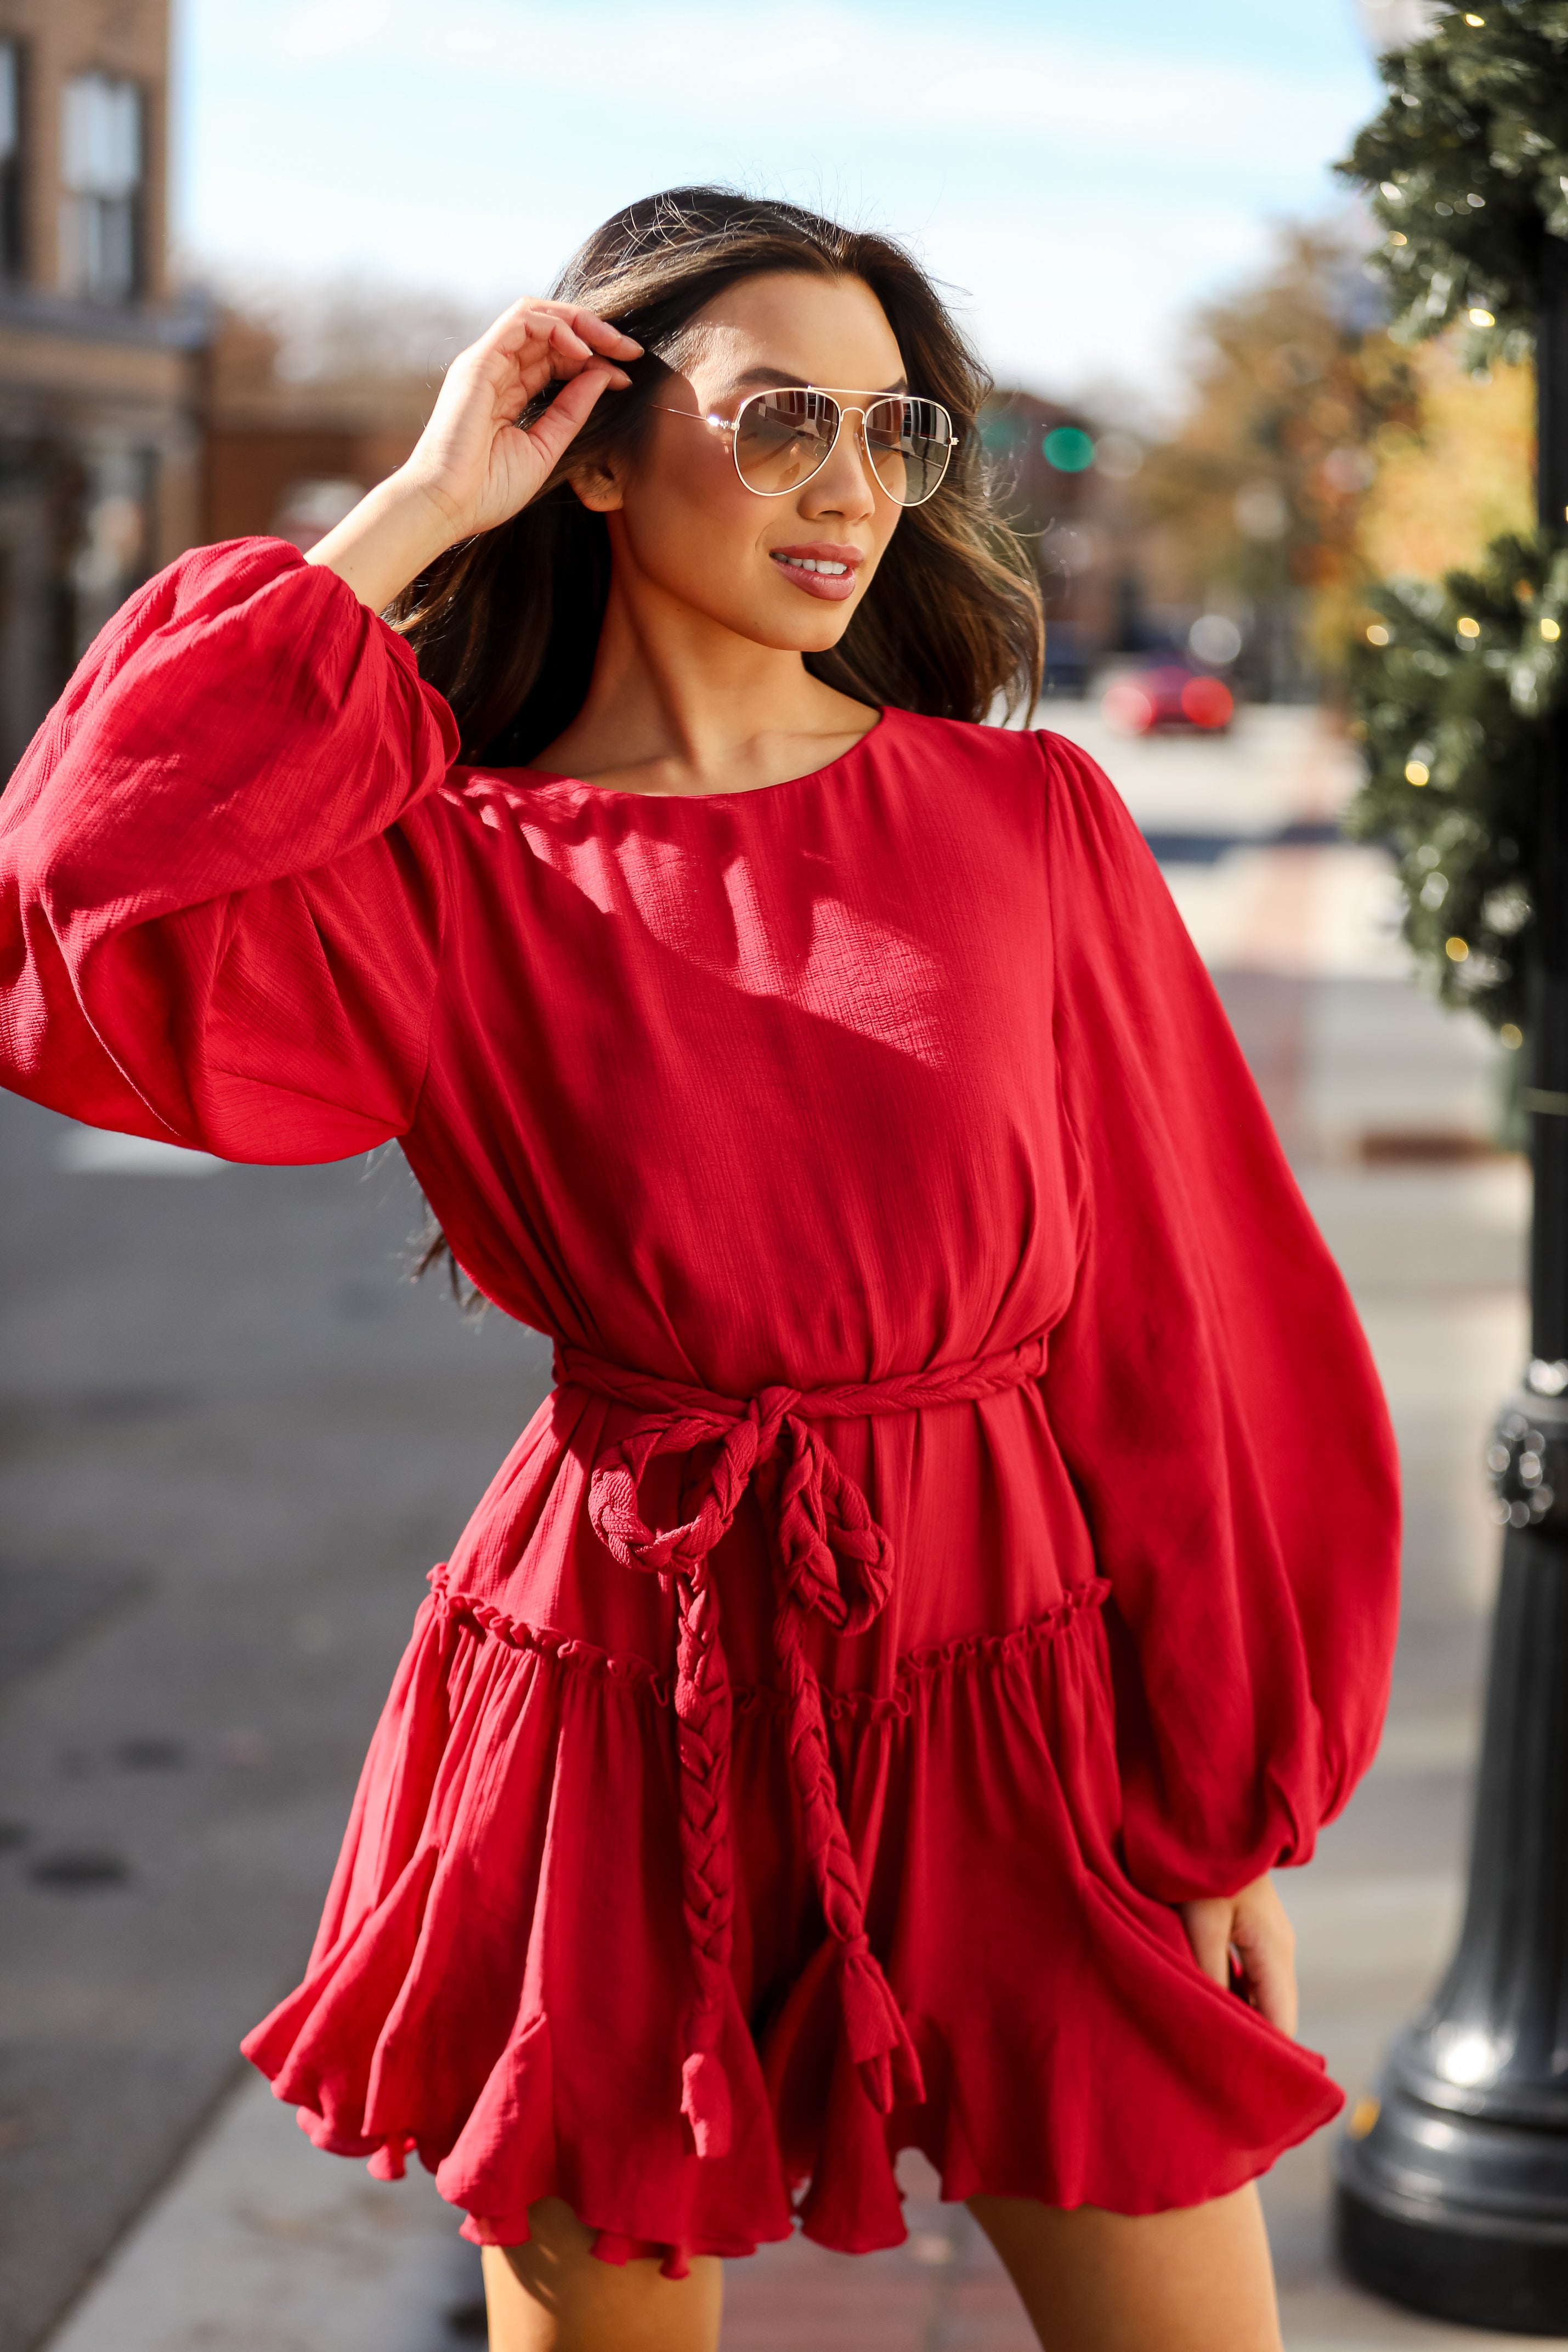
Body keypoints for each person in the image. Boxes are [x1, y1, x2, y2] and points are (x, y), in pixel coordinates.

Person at [0, 189, 1400, 2352]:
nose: (849, 485)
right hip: (614, 1687)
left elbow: (1187, 1327)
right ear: (586, 439)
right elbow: (82, 870)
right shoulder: (450, 866)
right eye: (774, 423)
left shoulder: (1028, 826)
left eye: (890, 430)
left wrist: (1227, 1795)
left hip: (1007, 1672)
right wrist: (409, 504)